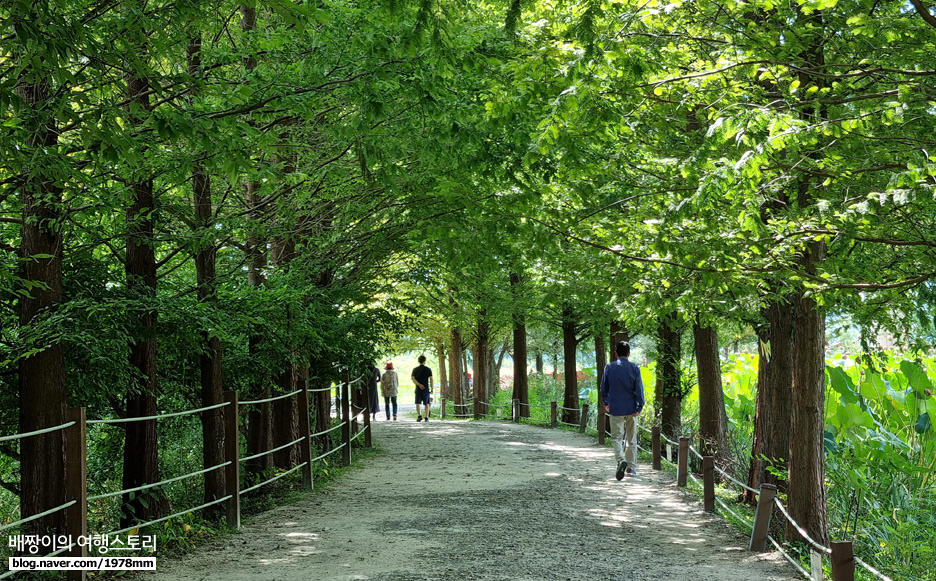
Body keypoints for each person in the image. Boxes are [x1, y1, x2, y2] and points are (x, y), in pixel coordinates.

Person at [600, 341, 644, 479]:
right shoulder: (635, 368)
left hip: (615, 408)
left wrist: (606, 402)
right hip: (631, 408)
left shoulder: (609, 367)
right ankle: (631, 468)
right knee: (631, 439)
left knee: (616, 438)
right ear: (629, 353)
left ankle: (621, 460)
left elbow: (603, 388)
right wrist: (639, 406)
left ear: (616, 353)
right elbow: (639, 389)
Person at [411, 355, 433, 422]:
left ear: (418, 361)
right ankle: (426, 417)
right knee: (426, 403)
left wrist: (418, 384)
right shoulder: (428, 369)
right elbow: (431, 379)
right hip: (426, 388)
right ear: (424, 361)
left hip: (418, 388)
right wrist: (432, 388)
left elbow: (413, 378)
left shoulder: (415, 369)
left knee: (418, 402)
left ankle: (419, 416)